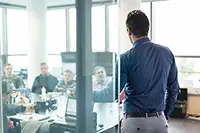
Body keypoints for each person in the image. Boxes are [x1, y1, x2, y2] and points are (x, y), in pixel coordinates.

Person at [93, 10, 179, 133]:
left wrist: (88, 95)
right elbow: (174, 89)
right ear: (147, 28)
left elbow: (111, 94)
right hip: (159, 122)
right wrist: (165, 114)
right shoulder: (166, 53)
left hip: (135, 124)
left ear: (128, 30)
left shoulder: (125, 58)